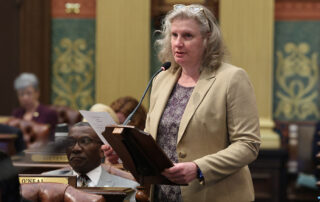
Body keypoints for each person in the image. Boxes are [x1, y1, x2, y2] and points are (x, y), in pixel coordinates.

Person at [103, 4, 260, 202]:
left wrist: (199, 168)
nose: (178, 43)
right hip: (161, 195)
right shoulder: (162, 78)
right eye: (174, 35)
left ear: (207, 39)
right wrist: (125, 153)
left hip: (212, 195)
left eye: (187, 36)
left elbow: (248, 145)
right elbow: (154, 143)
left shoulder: (232, 79)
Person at [43, 122, 139, 202]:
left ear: (101, 150)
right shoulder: (46, 182)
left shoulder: (129, 189)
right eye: (70, 142)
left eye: (85, 141)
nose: (76, 148)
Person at [12, 73, 58, 139]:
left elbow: (53, 140)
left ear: (37, 93)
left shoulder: (49, 113)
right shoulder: (16, 113)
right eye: (21, 94)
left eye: (28, 93)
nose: (25, 97)